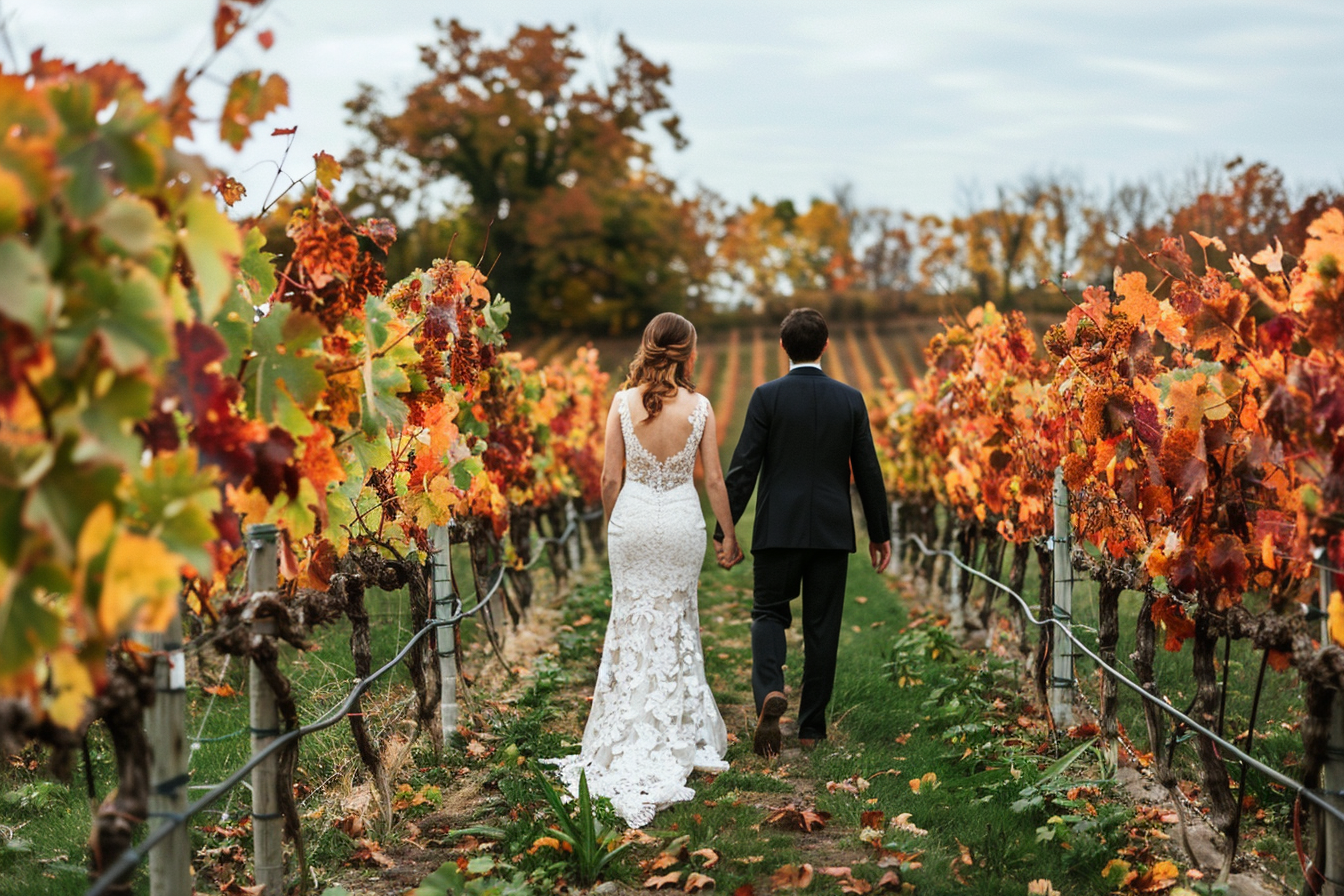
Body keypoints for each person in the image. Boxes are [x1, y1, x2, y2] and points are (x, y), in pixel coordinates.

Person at [548, 312, 739, 828]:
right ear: (688, 352)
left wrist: (616, 525)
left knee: (631, 618)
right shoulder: (700, 408)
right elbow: (715, 481)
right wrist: (730, 535)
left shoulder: (620, 403)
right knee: (676, 619)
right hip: (680, 521)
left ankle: (624, 730)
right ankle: (673, 731)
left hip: (633, 521)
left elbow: (611, 477)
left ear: (648, 348)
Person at [713, 308, 891, 757]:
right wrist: (879, 531)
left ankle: (770, 691)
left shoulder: (766, 396)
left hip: (778, 528)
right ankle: (812, 729)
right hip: (831, 531)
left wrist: (725, 530)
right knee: (822, 627)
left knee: (769, 613)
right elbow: (867, 470)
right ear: (825, 346)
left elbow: (743, 468)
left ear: (782, 347)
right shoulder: (850, 399)